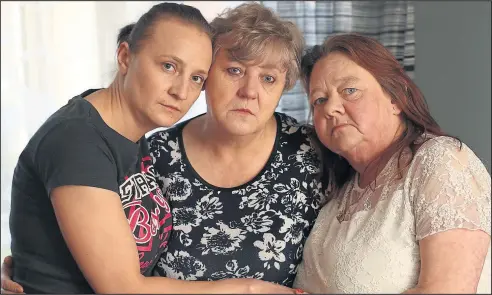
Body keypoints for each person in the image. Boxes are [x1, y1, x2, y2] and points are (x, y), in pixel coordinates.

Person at [2, 3, 323, 294]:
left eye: (195, 76)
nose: (181, 90)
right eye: (234, 70)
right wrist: (248, 289)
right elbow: (123, 286)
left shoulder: (126, 132)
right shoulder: (104, 142)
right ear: (125, 57)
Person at [292, 33, 491, 294]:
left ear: (395, 99)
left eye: (349, 91)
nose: (330, 108)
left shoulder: (440, 161)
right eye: (319, 100)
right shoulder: (338, 192)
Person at [146, 2, 326, 288]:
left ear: (284, 87)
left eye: (268, 78)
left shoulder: (312, 152)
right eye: (234, 70)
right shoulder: (154, 156)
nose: (249, 91)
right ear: (205, 75)